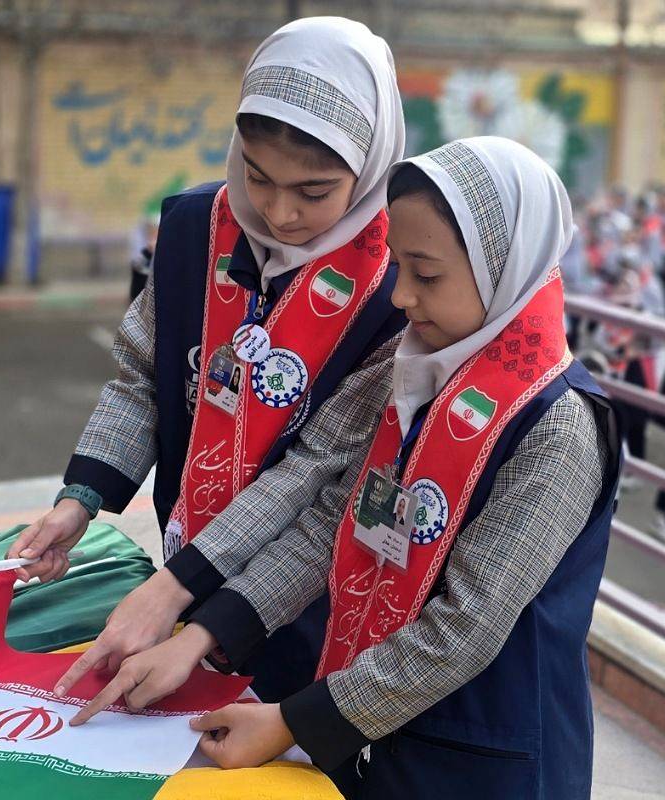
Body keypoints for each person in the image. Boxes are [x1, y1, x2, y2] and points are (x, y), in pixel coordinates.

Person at [69, 138, 621, 799]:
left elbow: (463, 631)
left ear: (506, 267)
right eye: (400, 268)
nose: (404, 296)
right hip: (375, 742)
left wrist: (292, 722)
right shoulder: (418, 366)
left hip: (483, 757)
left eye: (427, 274)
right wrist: (201, 637)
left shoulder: (558, 427)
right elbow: (332, 523)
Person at [8, 17, 408, 704]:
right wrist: (81, 501)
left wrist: (177, 596)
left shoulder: (394, 290)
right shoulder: (197, 230)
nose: (280, 213)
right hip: (182, 567)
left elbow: (320, 477)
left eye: (313, 191)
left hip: (305, 595)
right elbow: (143, 378)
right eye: (258, 178)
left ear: (370, 165)